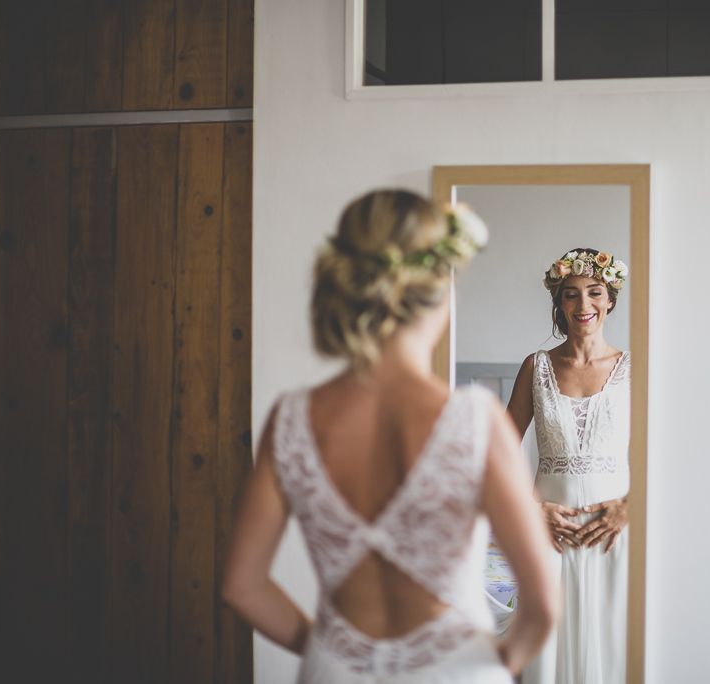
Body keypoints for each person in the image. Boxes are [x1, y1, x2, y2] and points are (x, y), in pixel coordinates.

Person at [222, 190, 558, 684]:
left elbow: (241, 586)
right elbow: (544, 602)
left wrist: (325, 650)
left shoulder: (291, 420)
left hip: (334, 671)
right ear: (442, 288)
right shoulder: (475, 421)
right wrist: (495, 666)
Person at [507, 248, 631, 684]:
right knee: (548, 645)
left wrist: (631, 506)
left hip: (615, 528)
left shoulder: (636, 368)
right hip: (548, 529)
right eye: (571, 295)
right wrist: (529, 510)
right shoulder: (536, 367)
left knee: (615, 641)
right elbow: (499, 452)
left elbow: (674, 451)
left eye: (594, 292)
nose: (584, 305)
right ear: (559, 303)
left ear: (610, 298)